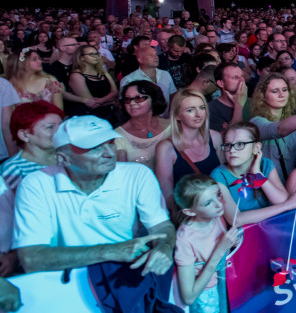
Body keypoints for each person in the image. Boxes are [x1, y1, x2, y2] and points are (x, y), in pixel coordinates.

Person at [13, 116, 174, 275]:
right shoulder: (36, 184)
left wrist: (164, 247)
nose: (109, 153)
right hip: (61, 278)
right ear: (63, 158)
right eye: (95, 147)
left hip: (121, 275)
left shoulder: (137, 175)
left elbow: (160, 226)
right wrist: (111, 251)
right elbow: (31, 259)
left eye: (111, 143)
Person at [172, 174, 239, 313]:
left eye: (218, 196)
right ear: (190, 211)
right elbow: (189, 295)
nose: (219, 204)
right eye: (208, 202)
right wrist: (221, 250)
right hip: (205, 305)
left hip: (227, 293)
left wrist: (232, 245)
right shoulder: (185, 239)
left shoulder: (215, 217)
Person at [210, 122, 296, 220]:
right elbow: (236, 219)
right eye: (228, 145)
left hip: (273, 226)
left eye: (240, 144)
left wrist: (258, 175)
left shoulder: (265, 164)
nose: (232, 150)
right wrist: (286, 206)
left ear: (256, 148)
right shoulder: (218, 175)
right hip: (246, 230)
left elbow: (282, 200)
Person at [154, 89, 224, 209]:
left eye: (202, 108)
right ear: (177, 115)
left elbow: (223, 179)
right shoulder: (166, 148)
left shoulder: (215, 137)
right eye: (190, 110)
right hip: (187, 213)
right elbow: (166, 196)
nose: (198, 114)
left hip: (218, 207)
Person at [114, 81, 172, 170]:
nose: (132, 103)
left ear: (153, 99)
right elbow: (122, 172)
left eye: (138, 98)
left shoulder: (171, 126)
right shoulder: (118, 136)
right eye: (127, 99)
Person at [64, 45, 118, 122]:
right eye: (91, 54)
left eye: (97, 54)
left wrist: (102, 100)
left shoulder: (102, 71)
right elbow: (92, 103)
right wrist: (111, 101)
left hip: (108, 113)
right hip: (90, 117)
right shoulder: (77, 76)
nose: (96, 56)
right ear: (82, 58)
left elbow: (115, 91)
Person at [120, 43, 176, 114]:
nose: (156, 57)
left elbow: (172, 96)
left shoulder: (165, 74)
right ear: (140, 59)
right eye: (151, 55)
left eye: (156, 54)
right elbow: (123, 105)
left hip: (166, 118)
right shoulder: (128, 80)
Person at [207, 62, 249, 134]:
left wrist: (229, 127)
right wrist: (238, 106)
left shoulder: (252, 103)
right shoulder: (211, 109)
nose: (242, 81)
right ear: (221, 83)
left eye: (242, 76)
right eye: (235, 77)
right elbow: (232, 137)